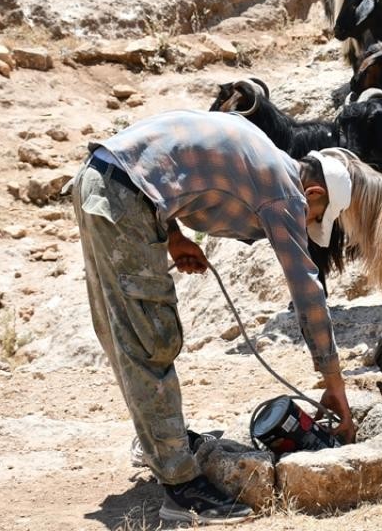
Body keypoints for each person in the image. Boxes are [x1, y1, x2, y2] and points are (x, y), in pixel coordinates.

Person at [71, 109, 356, 525]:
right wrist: (334, 385)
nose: (304, 222)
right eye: (314, 218)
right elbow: (307, 292)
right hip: (122, 198)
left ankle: (161, 442)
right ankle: (181, 485)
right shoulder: (285, 193)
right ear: (313, 194)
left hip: (104, 181)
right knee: (150, 338)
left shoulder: (262, 152)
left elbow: (160, 165)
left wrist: (172, 236)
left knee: (131, 331)